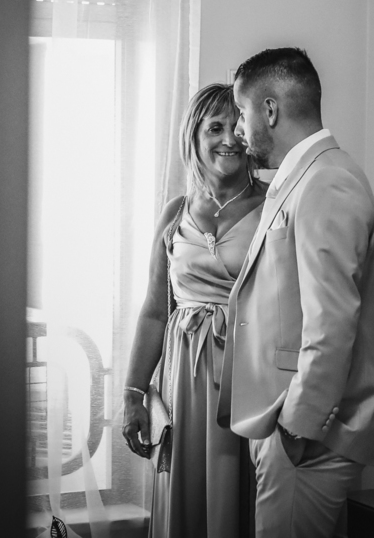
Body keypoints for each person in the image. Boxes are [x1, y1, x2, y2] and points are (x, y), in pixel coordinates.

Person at [218, 47, 374, 538]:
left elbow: (332, 323)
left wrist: (296, 428)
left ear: (269, 110)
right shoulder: (304, 177)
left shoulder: (326, 181)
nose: (239, 130)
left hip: (305, 438)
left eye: (242, 112)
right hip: (286, 427)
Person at [122, 82, 267, 537]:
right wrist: (132, 393)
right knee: (186, 502)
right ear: (194, 136)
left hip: (248, 376)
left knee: (241, 499)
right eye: (215, 128)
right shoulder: (175, 213)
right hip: (183, 383)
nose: (229, 139)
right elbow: (154, 310)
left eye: (237, 127)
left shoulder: (274, 205)